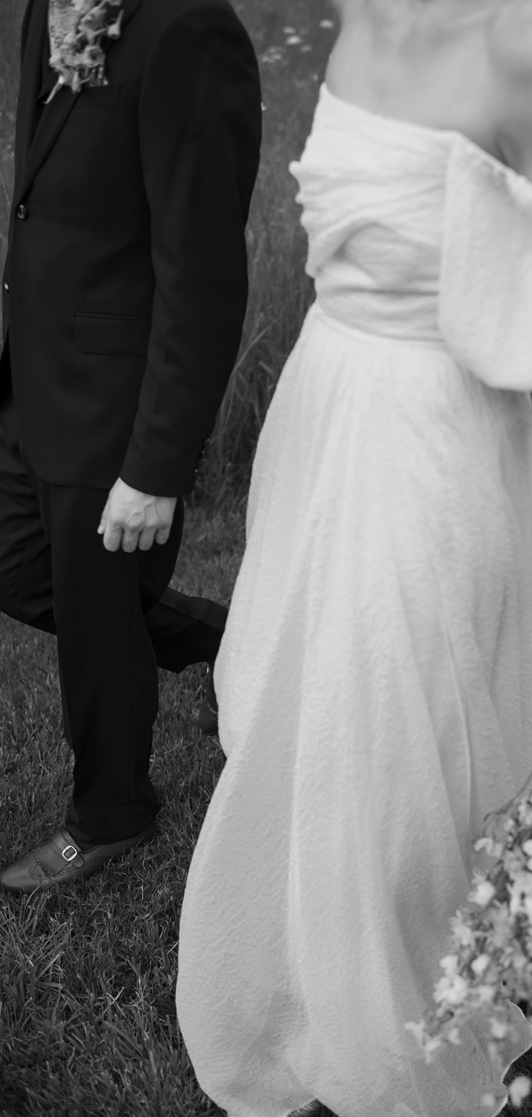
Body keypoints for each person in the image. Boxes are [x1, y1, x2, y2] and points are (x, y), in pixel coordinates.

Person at [176, 1, 532, 1117]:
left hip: (439, 434)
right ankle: (325, 969)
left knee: (389, 722)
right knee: (312, 703)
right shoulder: (360, 9)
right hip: (326, 403)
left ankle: (384, 1020)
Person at [0, 0, 261, 893]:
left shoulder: (186, 28)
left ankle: (113, 811)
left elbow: (205, 271)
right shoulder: (49, 6)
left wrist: (154, 465)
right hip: (34, 371)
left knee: (97, 607)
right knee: (27, 568)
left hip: (114, 397)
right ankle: (234, 642)